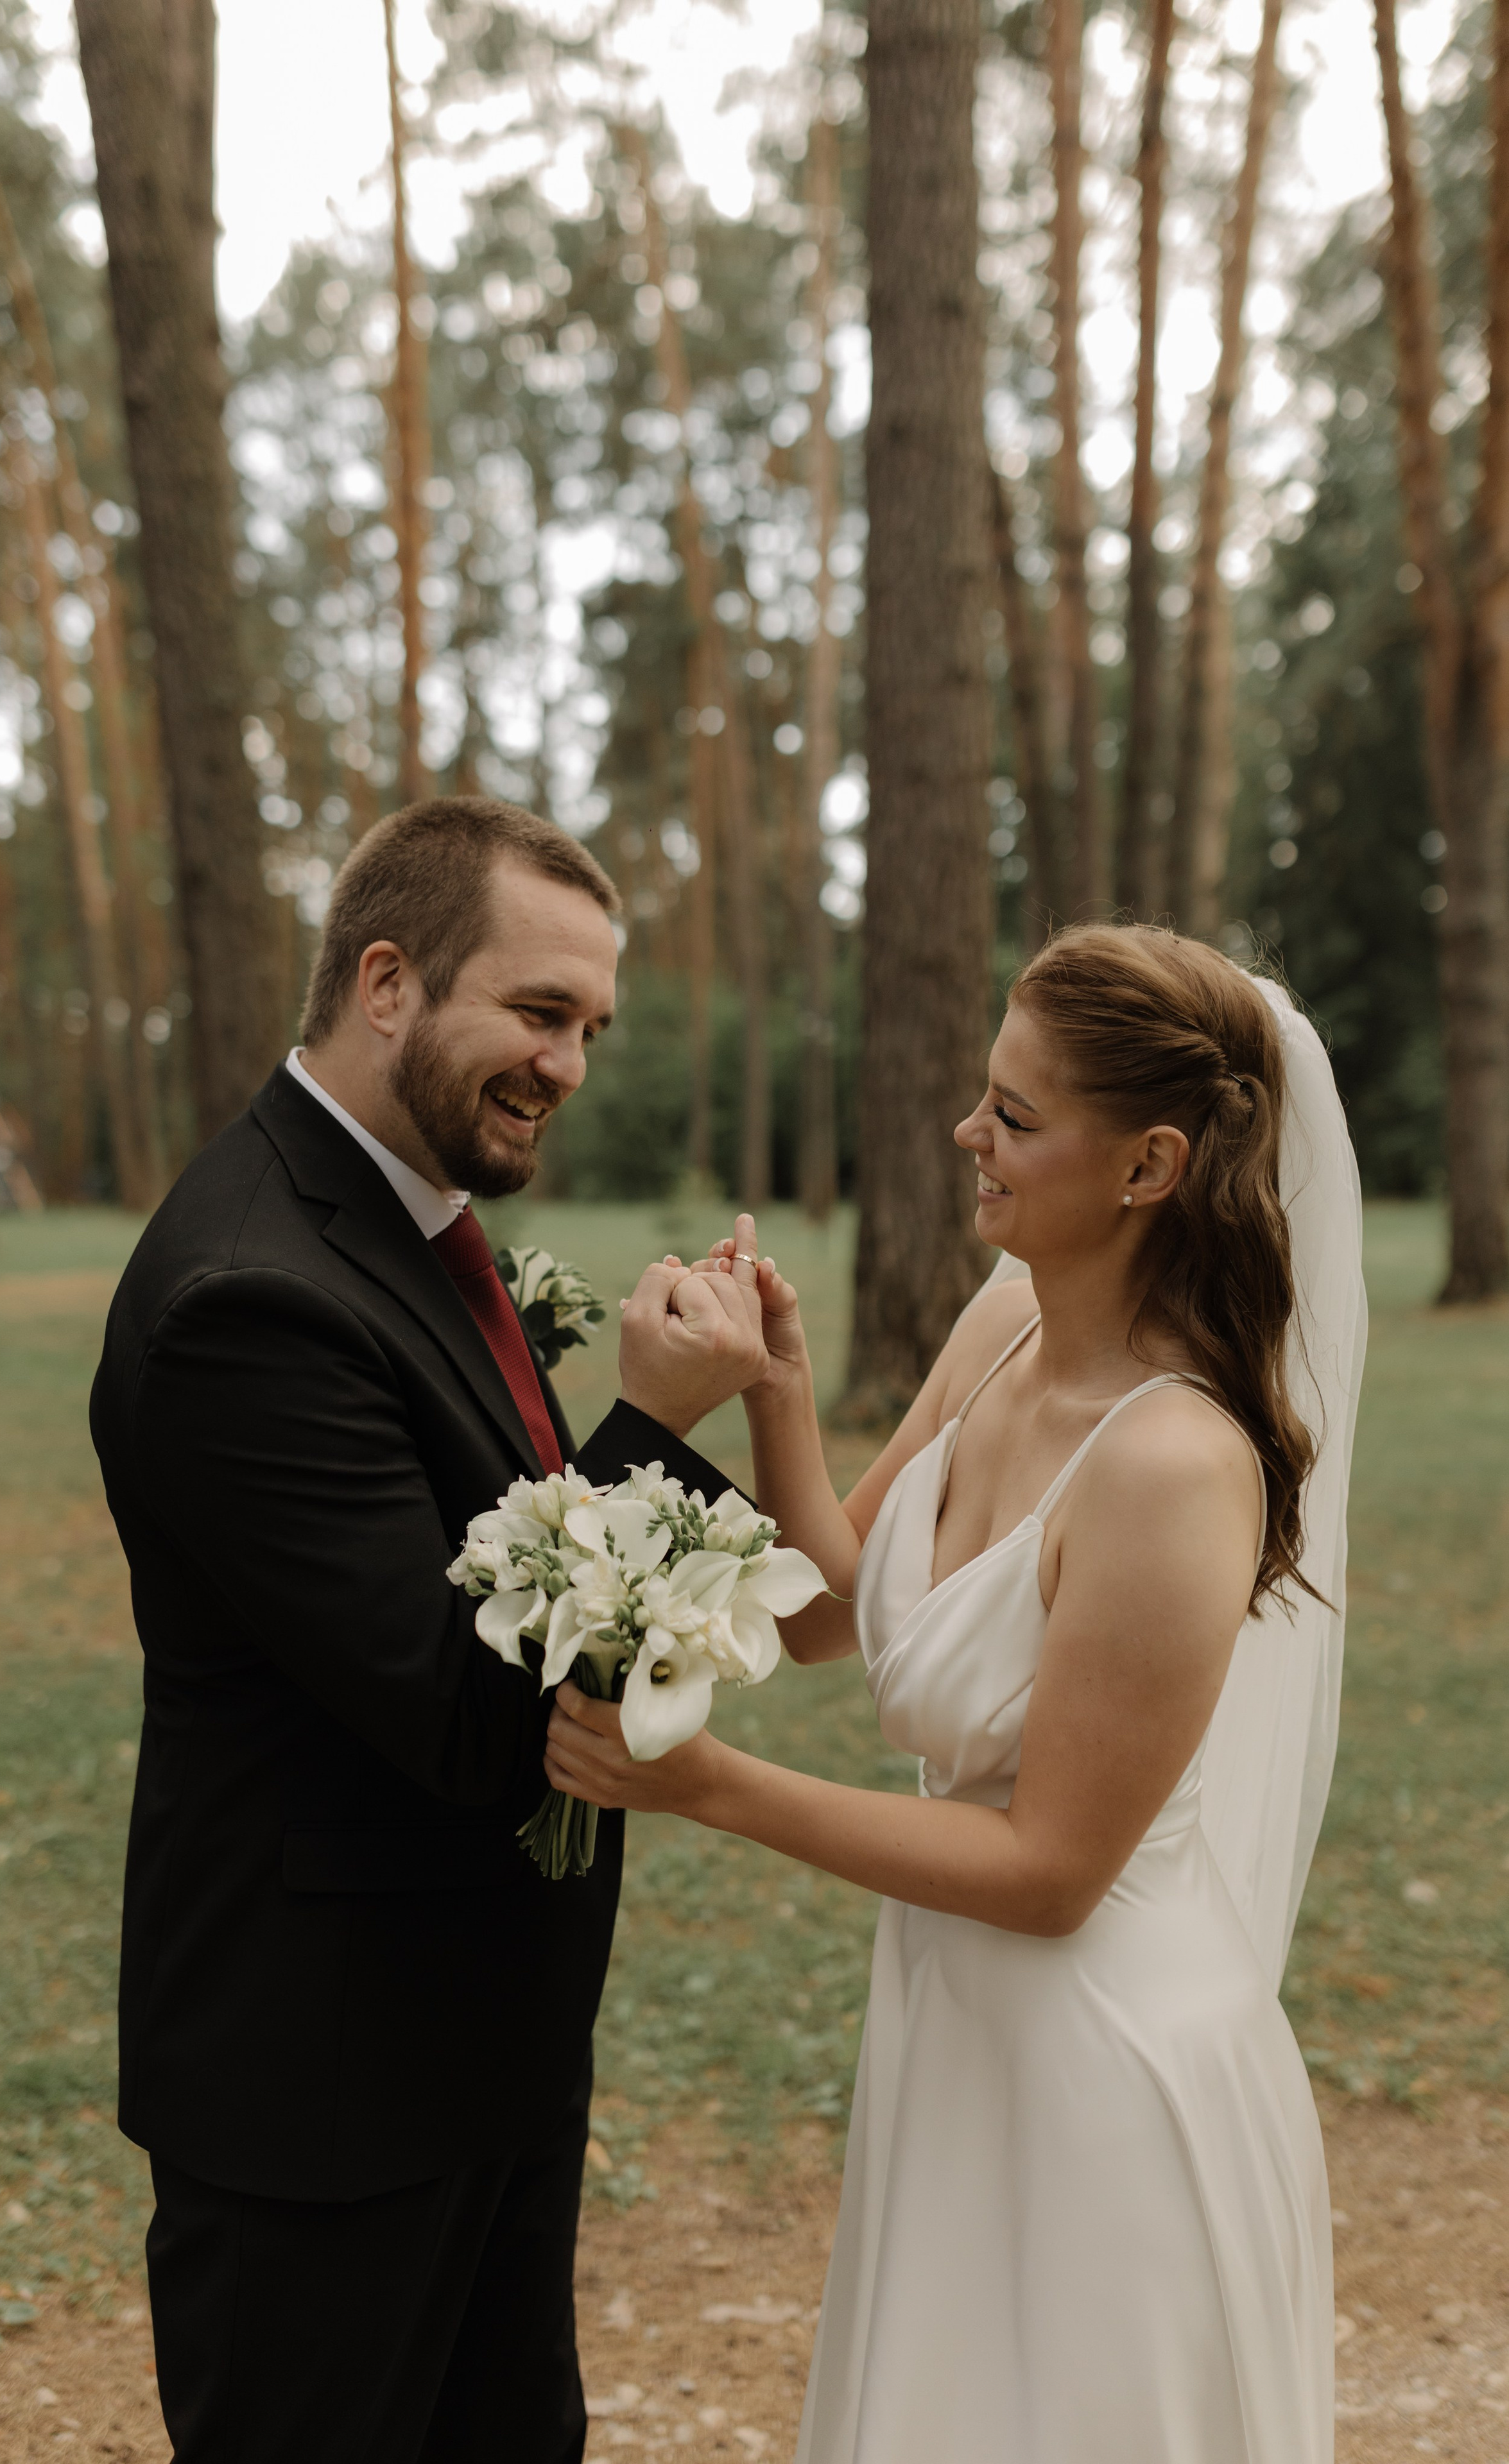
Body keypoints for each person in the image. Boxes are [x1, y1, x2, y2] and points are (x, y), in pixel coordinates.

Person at [545, 922, 1366, 2464]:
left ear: (1147, 1167)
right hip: (954, 2028)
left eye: (1014, 1115)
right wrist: (778, 1390)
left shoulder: (1174, 1462)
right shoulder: (1002, 1327)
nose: (964, 1134)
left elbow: (1050, 1873)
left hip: (1109, 2064)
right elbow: (831, 1611)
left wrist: (704, 1786)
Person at [90, 796, 768, 2464]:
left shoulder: (404, 1225)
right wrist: (655, 1429)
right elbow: (468, 1715)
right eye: (540, 1015)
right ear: (386, 981)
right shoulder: (246, 1299)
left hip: (477, 2048)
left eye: (592, 1027)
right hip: (326, 2099)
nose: (572, 1066)